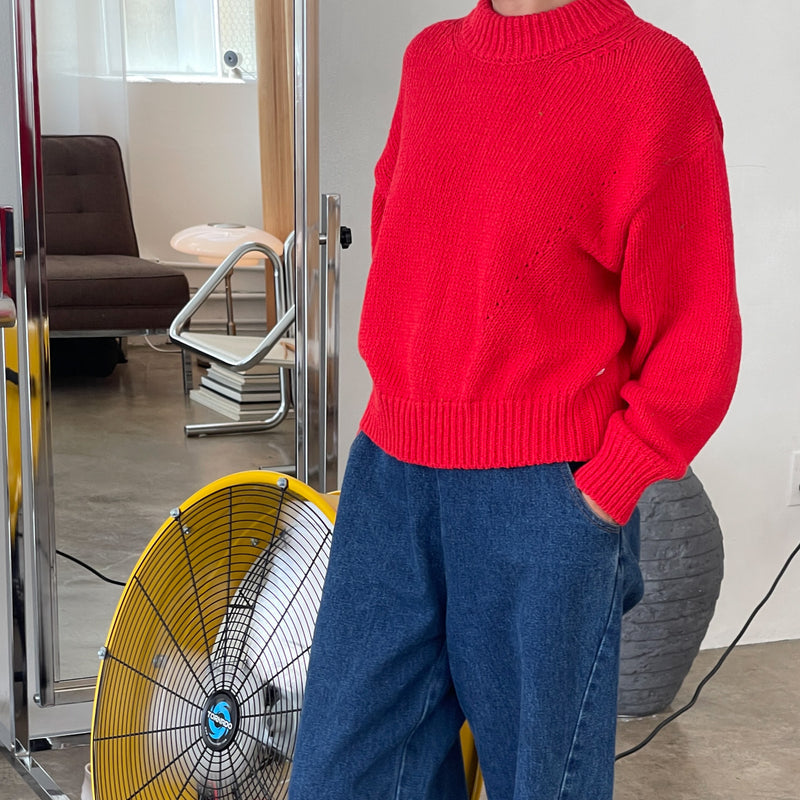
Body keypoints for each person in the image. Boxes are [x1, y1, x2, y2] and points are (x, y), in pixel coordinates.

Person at [288, 0, 741, 797]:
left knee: (539, 785)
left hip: (542, 500)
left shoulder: (653, 79)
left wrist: (602, 492)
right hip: (390, 476)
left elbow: (696, 335)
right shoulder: (430, 61)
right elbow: (406, 244)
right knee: (341, 776)